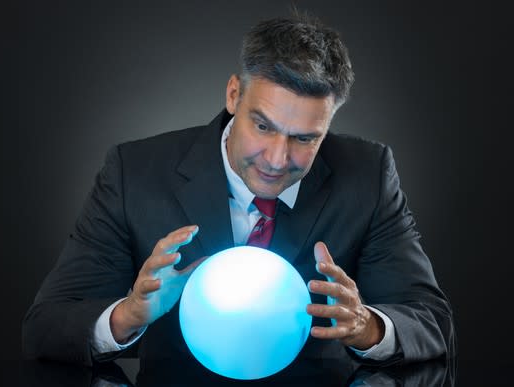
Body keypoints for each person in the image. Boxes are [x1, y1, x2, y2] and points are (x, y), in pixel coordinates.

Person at [23, 14, 455, 368]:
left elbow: (432, 322)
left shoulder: (367, 175)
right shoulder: (134, 173)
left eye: (305, 138)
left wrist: (367, 326)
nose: (276, 158)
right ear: (234, 94)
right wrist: (128, 315)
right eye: (263, 126)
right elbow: (45, 327)